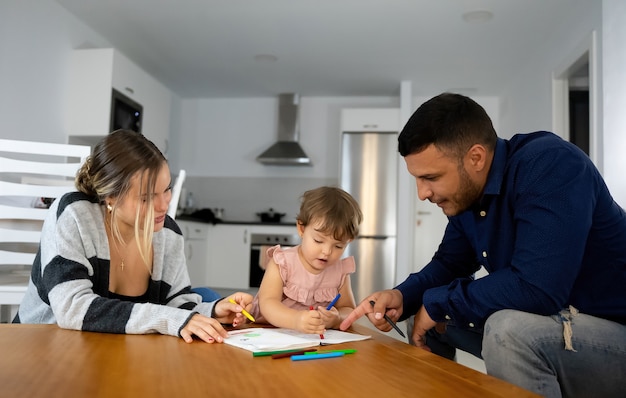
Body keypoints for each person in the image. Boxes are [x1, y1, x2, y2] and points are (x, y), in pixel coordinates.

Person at [340, 93, 626, 398]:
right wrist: (402, 295)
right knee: (426, 310)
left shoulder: (550, 164)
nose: (422, 193)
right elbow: (450, 264)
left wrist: (438, 303)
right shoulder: (470, 195)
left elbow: (538, 287)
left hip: (611, 330)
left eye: (431, 177)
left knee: (508, 330)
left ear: (475, 157)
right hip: (558, 320)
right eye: (417, 179)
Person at [15, 129, 253, 344]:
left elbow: (176, 306)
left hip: (117, 348)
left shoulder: (167, 234)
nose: (163, 206)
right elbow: (72, 308)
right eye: (147, 197)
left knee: (209, 297)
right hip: (46, 345)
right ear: (111, 197)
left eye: (167, 189)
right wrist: (169, 318)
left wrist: (214, 310)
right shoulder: (75, 215)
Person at [250, 186, 362, 335]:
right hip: (268, 332)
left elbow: (349, 310)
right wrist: (296, 320)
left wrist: (337, 318)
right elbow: (268, 303)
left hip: (311, 340)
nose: (327, 252)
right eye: (318, 241)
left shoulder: (340, 271)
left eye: (338, 246)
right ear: (301, 229)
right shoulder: (282, 262)